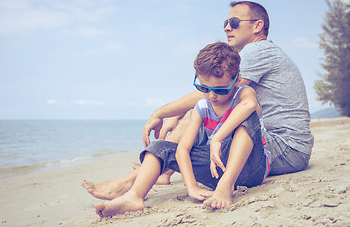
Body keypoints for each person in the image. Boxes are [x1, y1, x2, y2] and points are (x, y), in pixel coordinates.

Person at [92, 42, 270, 217]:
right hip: (215, 169)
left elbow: (250, 104)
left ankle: (226, 186)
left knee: (247, 116)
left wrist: (217, 138)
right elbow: (182, 150)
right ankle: (134, 196)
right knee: (160, 148)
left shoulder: (243, 94)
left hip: (251, 168)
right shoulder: (203, 107)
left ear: (237, 79)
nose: (212, 95)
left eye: (220, 90)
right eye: (204, 88)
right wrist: (191, 186)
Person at [142, 1, 313, 177]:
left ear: (257, 26)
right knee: (203, 112)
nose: (227, 28)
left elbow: (211, 91)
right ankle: (159, 171)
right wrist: (174, 115)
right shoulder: (264, 51)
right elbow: (212, 93)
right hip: (290, 147)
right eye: (226, 23)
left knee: (196, 113)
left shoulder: (256, 50)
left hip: (287, 149)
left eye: (234, 22)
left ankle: (146, 173)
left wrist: (161, 113)